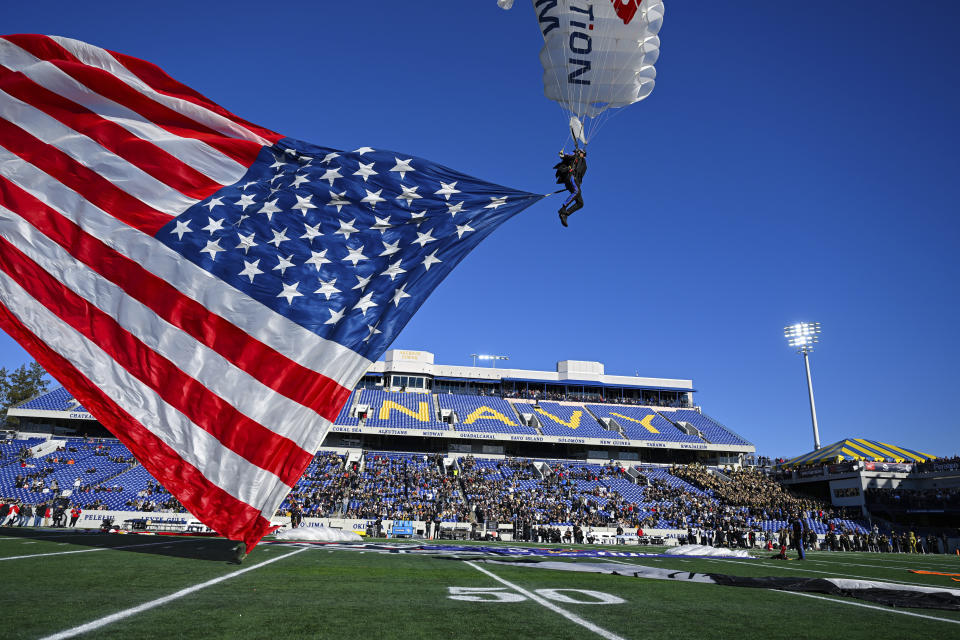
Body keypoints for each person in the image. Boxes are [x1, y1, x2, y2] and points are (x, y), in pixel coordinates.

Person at [554, 148, 587, 227]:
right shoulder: (575, 155)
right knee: (577, 192)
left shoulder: (583, 163)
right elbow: (567, 155)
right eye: (584, 154)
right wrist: (562, 155)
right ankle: (563, 208)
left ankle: (565, 214)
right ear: (580, 152)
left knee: (580, 203)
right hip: (571, 177)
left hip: (575, 182)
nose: (584, 156)